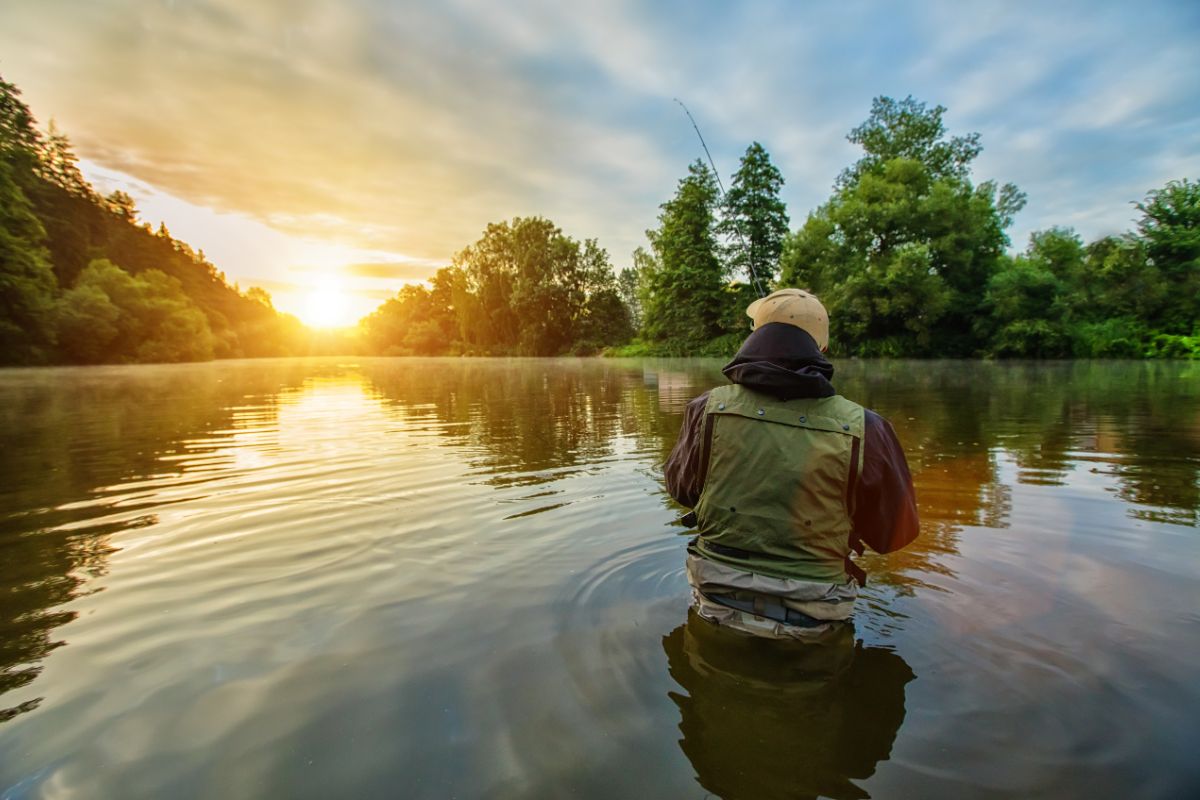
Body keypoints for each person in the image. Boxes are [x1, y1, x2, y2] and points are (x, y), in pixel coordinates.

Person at [665, 288, 919, 639]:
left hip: (716, 603)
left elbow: (682, 490)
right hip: (817, 619)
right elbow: (894, 536)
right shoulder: (868, 428)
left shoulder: (704, 410)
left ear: (754, 338)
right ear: (822, 350)